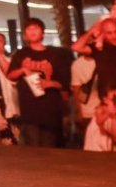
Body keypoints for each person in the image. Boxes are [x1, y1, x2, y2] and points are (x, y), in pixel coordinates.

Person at [5, 18, 72, 147]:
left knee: (50, 149)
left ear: (43, 32)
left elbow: (64, 83)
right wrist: (23, 69)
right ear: (25, 35)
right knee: (31, 149)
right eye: (29, 29)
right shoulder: (21, 54)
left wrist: (50, 83)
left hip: (51, 111)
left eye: (35, 28)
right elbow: (10, 75)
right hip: (29, 111)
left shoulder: (56, 54)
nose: (32, 31)